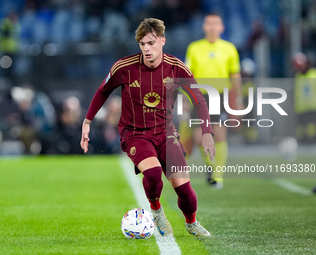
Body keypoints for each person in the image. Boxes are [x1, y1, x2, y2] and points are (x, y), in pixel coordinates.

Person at [80, 18, 215, 237]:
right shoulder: (124, 67)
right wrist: (87, 121)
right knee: (152, 174)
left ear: (162, 41)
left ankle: (191, 223)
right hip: (135, 133)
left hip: (166, 133)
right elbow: (103, 90)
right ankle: (156, 210)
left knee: (185, 191)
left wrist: (207, 132)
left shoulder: (177, 68)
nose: (146, 49)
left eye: (151, 43)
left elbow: (198, 99)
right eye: (142, 44)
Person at [179, 12, 242, 189]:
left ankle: (217, 176)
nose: (212, 27)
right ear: (204, 26)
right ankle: (211, 165)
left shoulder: (229, 48)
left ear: (222, 27)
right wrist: (184, 99)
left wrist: (237, 101)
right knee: (199, 138)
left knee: (220, 134)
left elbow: (235, 75)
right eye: (209, 23)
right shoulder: (194, 48)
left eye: (216, 24)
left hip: (219, 95)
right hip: (198, 96)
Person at [293, 52, 316, 144]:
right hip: (301, 107)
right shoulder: (298, 76)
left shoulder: (314, 74)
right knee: (301, 128)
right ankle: (302, 142)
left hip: (313, 106)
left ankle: (311, 142)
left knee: (311, 127)